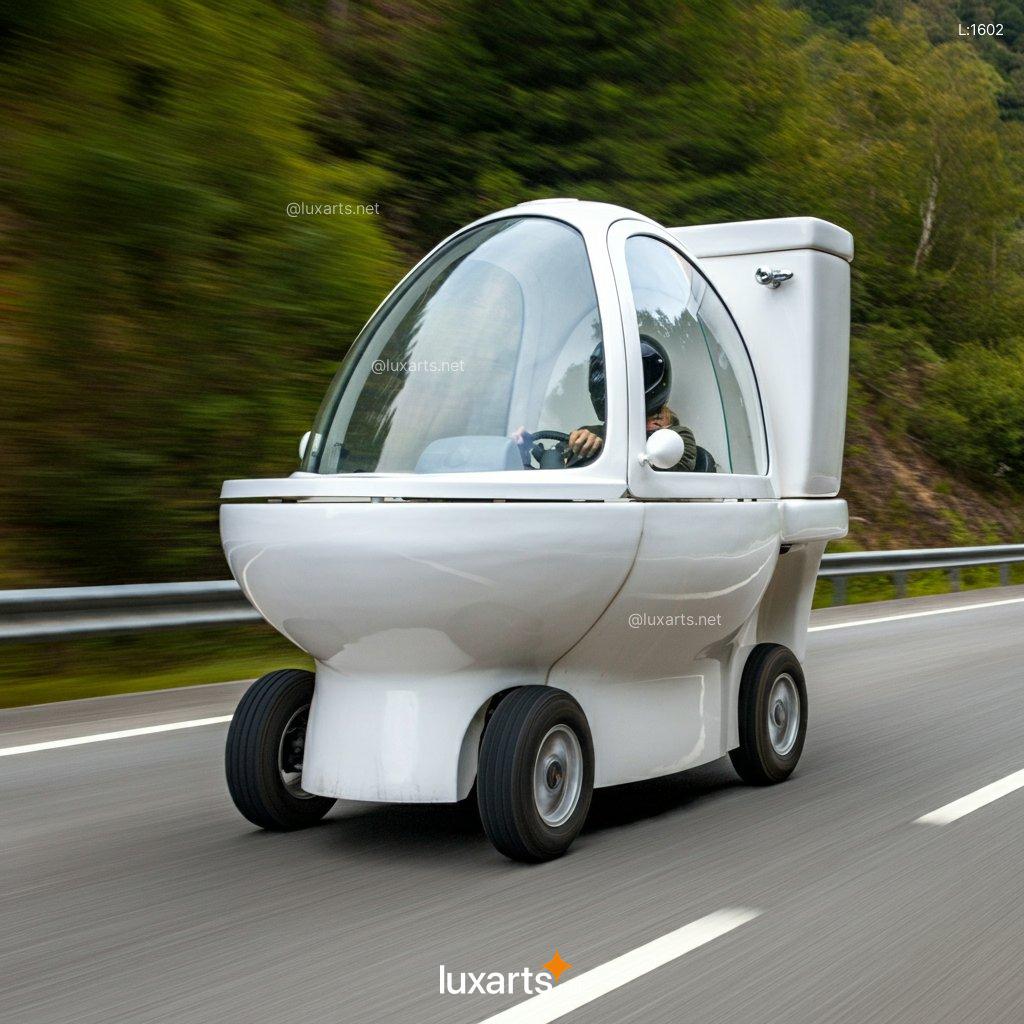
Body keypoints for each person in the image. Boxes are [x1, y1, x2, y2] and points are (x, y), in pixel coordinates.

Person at [568, 336, 707, 471]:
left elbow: (664, 471)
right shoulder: (591, 432)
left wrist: (602, 449)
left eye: (657, 421)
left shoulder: (679, 436)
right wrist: (579, 445)